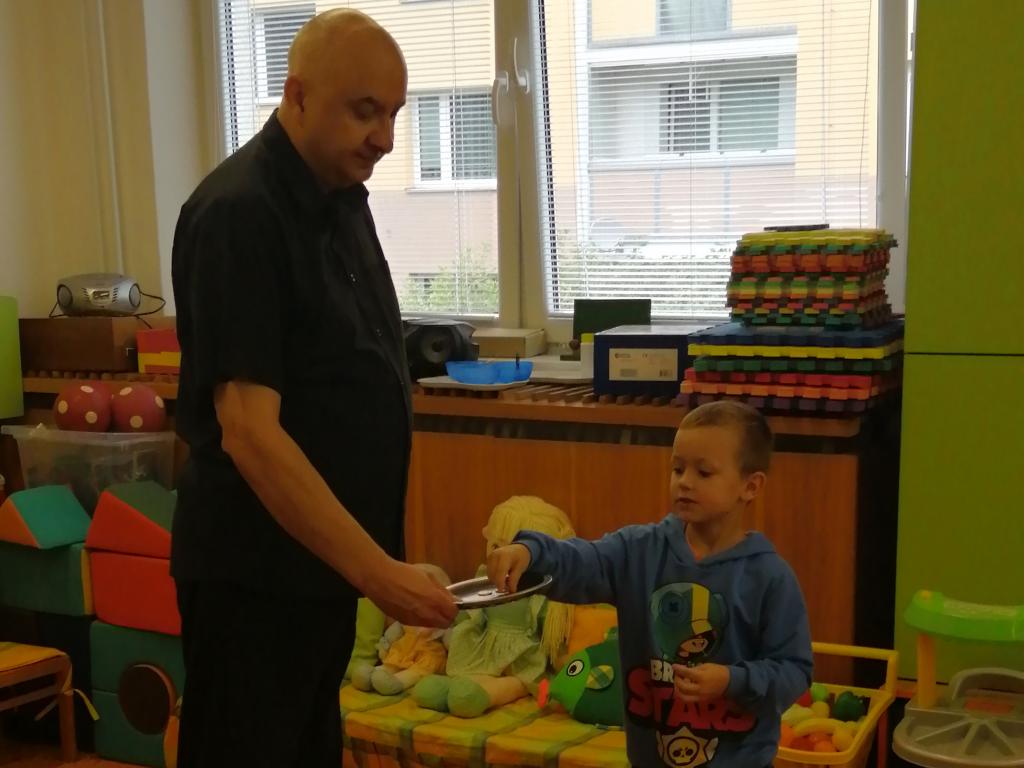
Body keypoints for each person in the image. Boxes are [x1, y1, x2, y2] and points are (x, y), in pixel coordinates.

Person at [170, 9, 457, 768]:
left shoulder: (340, 199)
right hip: (254, 583)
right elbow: (250, 433)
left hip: (316, 577)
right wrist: (379, 573)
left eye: (394, 113)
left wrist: (380, 561)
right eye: (365, 111)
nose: (385, 137)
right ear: (296, 96)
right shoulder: (240, 214)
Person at [488, 401, 813, 767]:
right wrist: (531, 552)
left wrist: (732, 680)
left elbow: (794, 670)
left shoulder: (770, 577)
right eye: (677, 468)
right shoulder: (638, 550)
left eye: (704, 472)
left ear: (750, 486)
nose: (684, 481)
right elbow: (583, 560)